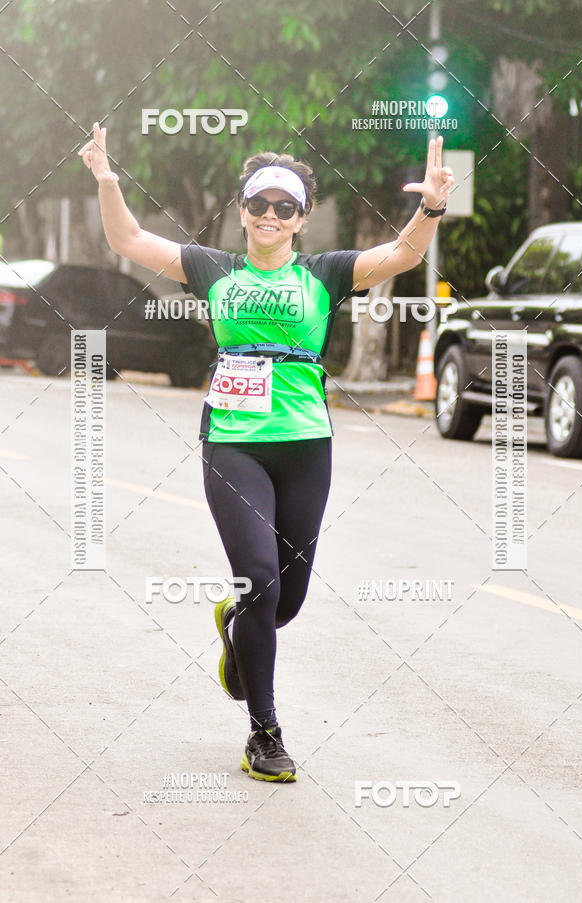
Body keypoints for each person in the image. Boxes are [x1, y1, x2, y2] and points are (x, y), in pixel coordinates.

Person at [79, 122, 454, 783]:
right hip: (233, 443)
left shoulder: (326, 272)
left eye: (285, 205)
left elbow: (400, 255)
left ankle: (237, 627)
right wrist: (108, 179)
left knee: (285, 601)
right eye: (259, 204)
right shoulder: (213, 267)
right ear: (243, 211)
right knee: (259, 575)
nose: (271, 215)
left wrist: (430, 207)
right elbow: (127, 240)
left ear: (302, 216)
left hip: (307, 444)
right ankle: (265, 732)